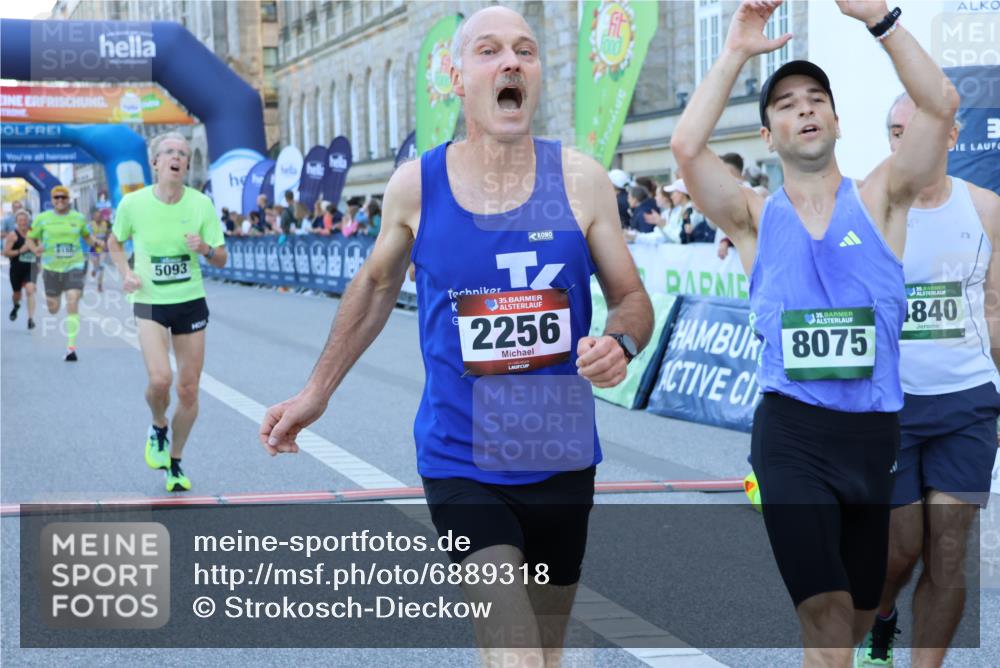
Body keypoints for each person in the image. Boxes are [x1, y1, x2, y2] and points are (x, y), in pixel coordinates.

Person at [259, 6, 653, 666]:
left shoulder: (577, 180)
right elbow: (375, 289)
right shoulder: (419, 186)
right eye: (489, 51)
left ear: (537, 76)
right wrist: (315, 393)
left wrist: (622, 343)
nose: (510, 63)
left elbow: (631, 298)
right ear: (456, 74)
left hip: (561, 453)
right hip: (462, 458)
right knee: (515, 646)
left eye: (525, 52)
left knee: (544, 650)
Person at [671, 1, 958, 664]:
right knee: (824, 614)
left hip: (873, 436)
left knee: (851, 619)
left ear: (834, 119)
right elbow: (686, 147)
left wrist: (881, 20)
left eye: (815, 99)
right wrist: (737, 51)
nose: (803, 109)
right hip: (793, 435)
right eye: (786, 104)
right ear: (768, 136)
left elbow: (939, 108)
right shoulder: (750, 216)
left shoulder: (883, 196)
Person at [854, 95, 1000, 668]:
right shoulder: (870, 204)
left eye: (916, 131)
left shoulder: (986, 208)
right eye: (894, 132)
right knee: (900, 550)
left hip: (967, 400)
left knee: (947, 547)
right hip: (893, 405)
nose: (903, 144)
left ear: (952, 135)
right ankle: (882, 618)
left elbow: (995, 308)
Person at [108, 131, 228, 493]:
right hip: (149, 301)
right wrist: (126, 273)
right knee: (160, 379)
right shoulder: (133, 204)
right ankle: (158, 424)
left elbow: (221, 258)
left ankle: (175, 461)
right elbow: (114, 241)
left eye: (183, 154)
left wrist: (205, 248)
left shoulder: (200, 205)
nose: (176, 158)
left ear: (186, 165)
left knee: (189, 389)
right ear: (155, 163)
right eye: (169, 152)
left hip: (190, 301)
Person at [27, 185, 95, 361]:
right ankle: (55, 299)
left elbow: (87, 236)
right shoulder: (42, 219)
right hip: (51, 268)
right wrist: (36, 249)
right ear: (52, 200)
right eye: (56, 198)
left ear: (68, 199)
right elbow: (30, 238)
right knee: (53, 308)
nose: (60, 200)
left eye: (63, 197)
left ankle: (71, 347)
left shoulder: (78, 218)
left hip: (74, 264)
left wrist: (96, 242)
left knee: (73, 298)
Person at [3, 209, 39, 329]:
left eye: (25, 220)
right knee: (17, 294)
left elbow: (39, 250)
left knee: (30, 290)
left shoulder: (34, 233)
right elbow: (6, 253)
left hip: (30, 268)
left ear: (28, 221)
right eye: (20, 221)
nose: (23, 222)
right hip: (16, 269)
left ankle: (30, 319)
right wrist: (20, 250)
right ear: (16, 222)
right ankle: (16, 305)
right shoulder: (13, 235)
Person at [89, 209, 111, 292]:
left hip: (103, 248)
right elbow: (89, 236)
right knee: (95, 263)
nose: (97, 217)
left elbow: (108, 235)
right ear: (93, 217)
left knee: (101, 266)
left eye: (99, 216)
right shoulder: (90, 225)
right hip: (94, 247)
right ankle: (94, 269)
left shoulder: (105, 224)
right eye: (95, 216)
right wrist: (96, 241)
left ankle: (99, 285)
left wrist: (106, 243)